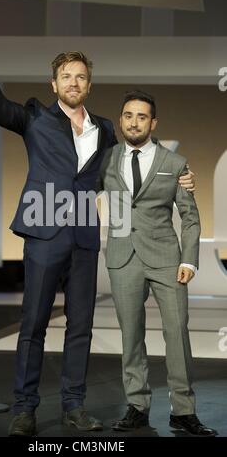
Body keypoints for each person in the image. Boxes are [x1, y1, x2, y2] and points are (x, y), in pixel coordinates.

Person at [0, 28, 195, 436]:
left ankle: (74, 407)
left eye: (81, 76)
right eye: (66, 76)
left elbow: (134, 159)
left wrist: (180, 177)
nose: (74, 82)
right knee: (33, 325)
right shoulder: (35, 116)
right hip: (44, 234)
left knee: (81, 327)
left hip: (85, 239)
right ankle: (25, 409)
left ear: (89, 85)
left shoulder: (106, 129)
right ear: (54, 84)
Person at [99, 90, 217, 437]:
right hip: (123, 258)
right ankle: (137, 406)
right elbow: (79, 189)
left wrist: (190, 261)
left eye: (141, 116)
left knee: (177, 334)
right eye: (128, 115)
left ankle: (183, 411)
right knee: (131, 336)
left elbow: (191, 218)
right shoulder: (105, 160)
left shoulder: (175, 164)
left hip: (167, 259)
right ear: (121, 120)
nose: (134, 122)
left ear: (153, 123)